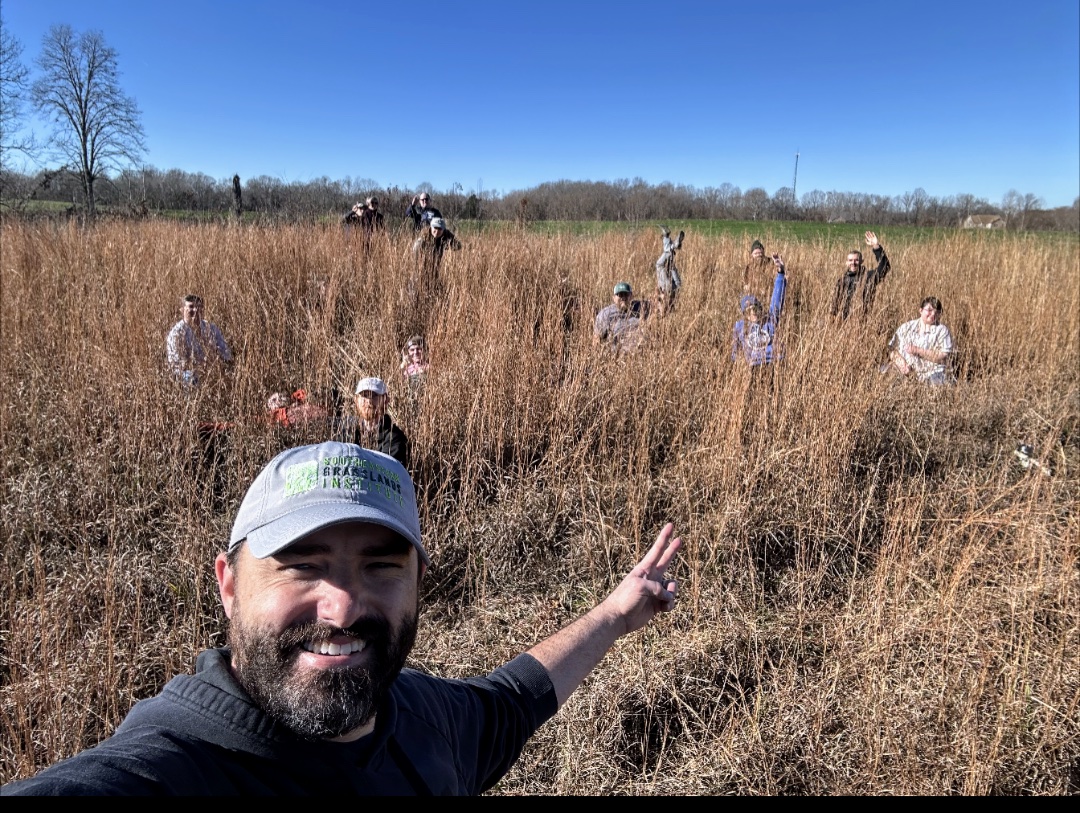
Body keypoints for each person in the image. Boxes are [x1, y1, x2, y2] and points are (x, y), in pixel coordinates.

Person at [1, 441, 681, 795]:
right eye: (302, 563)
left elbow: (512, 698)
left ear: (419, 585)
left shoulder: (423, 717)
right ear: (228, 584)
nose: (344, 604)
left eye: (381, 566)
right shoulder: (176, 767)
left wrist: (616, 614)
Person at [333, 376, 410, 467]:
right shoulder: (347, 433)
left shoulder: (394, 438)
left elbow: (389, 471)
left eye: (374, 396)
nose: (369, 401)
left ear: (386, 400)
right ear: (356, 400)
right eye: (364, 395)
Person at [883, 296, 954, 385]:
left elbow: (945, 357)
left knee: (939, 382)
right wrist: (902, 364)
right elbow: (892, 350)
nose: (933, 314)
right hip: (904, 370)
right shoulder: (906, 327)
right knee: (883, 373)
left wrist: (918, 351)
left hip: (932, 373)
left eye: (937, 312)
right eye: (929, 310)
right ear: (920, 310)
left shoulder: (942, 330)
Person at [165, 294, 233, 387]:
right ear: (182, 309)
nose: (196, 310)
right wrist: (200, 367)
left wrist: (218, 362)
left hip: (211, 370)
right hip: (188, 375)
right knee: (190, 378)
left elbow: (226, 352)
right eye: (191, 307)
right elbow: (177, 364)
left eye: (199, 307)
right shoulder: (176, 334)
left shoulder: (211, 328)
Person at [732, 256, 786, 367]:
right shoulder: (740, 326)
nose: (753, 312)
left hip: (773, 362)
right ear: (744, 315)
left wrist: (780, 274)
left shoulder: (770, 320)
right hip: (753, 366)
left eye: (755, 308)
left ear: (760, 309)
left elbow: (777, 298)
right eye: (748, 311)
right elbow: (734, 353)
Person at [832, 231, 891, 320]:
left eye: (856, 260)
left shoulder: (868, 277)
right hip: (844, 323)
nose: (853, 263)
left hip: (863, 321)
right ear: (847, 262)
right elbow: (835, 305)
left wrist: (876, 247)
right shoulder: (842, 281)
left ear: (861, 261)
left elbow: (884, 268)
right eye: (850, 260)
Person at [593, 281, 652, 353]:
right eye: (620, 295)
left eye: (626, 294)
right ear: (613, 298)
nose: (623, 298)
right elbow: (597, 339)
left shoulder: (642, 307)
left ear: (631, 296)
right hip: (617, 357)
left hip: (641, 355)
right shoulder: (606, 314)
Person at [411, 217, 461, 286]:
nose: (437, 231)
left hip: (435, 271)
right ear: (431, 227)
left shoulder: (445, 236)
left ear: (443, 230)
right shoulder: (422, 240)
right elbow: (415, 258)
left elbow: (458, 246)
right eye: (435, 228)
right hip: (421, 271)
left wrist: (448, 237)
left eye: (440, 229)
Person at [655, 226, 684, 311]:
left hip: (676, 287)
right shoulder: (670, 307)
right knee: (660, 265)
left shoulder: (671, 304)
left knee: (670, 266)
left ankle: (669, 241)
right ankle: (671, 244)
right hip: (668, 288)